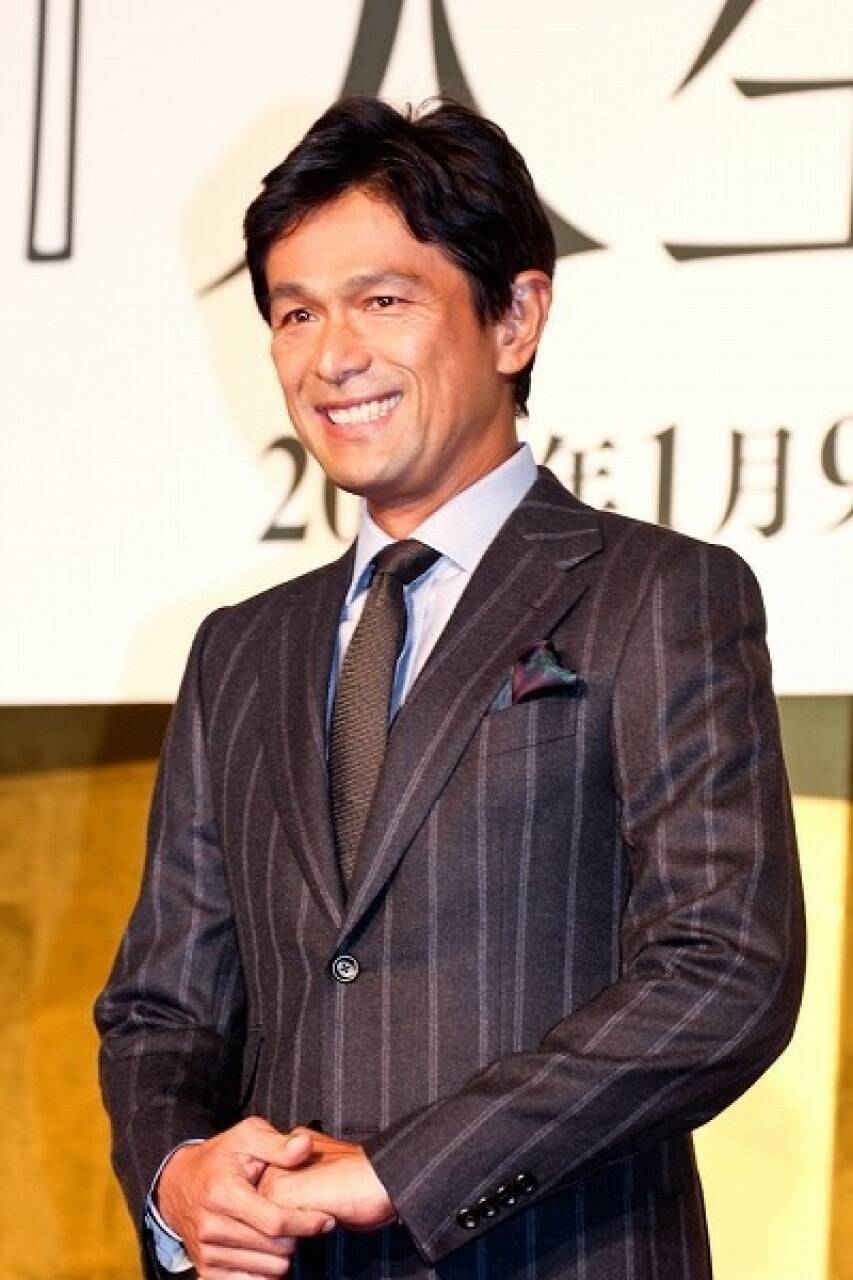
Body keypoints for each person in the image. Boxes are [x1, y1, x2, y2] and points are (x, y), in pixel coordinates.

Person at [95, 96, 805, 1280]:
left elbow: (725, 966)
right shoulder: (239, 649)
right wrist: (179, 1175)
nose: (332, 356)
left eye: (383, 300)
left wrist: (406, 1168)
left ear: (515, 316)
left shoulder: (657, 593)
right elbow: (163, 1006)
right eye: (295, 312)